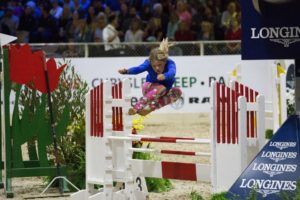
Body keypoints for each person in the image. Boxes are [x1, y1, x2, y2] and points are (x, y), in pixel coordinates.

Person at [118, 38, 182, 116]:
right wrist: (127, 71)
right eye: (154, 66)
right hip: (148, 89)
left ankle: (152, 107)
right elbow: (139, 69)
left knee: (177, 92)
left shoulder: (170, 63)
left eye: (159, 65)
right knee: (161, 88)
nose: (157, 68)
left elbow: (172, 72)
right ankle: (137, 107)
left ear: (165, 62)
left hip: (163, 92)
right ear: (151, 63)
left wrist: (165, 76)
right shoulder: (148, 63)